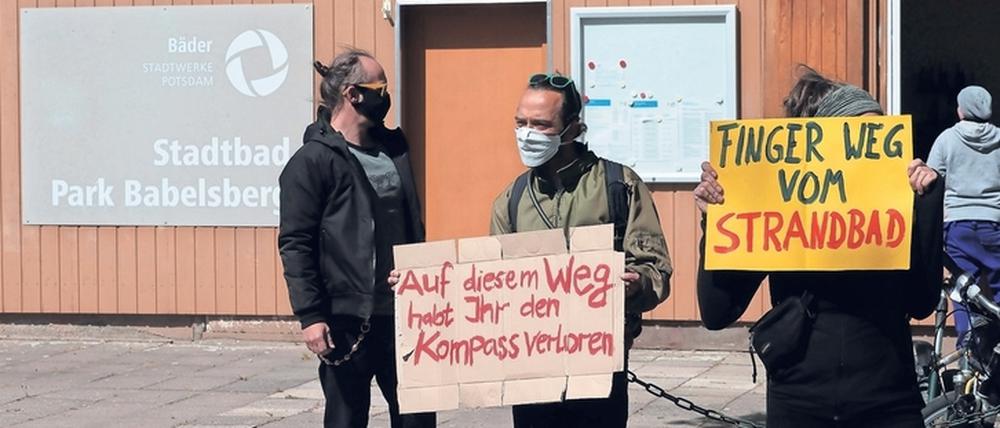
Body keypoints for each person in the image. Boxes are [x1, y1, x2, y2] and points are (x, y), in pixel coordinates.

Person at [694, 66, 943, 428]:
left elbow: (921, 302)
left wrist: (926, 205)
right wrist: (716, 222)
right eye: (865, 136)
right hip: (798, 403)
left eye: (879, 137)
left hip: (889, 400)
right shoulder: (777, 209)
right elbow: (717, 312)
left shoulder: (895, 209)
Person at [488, 72, 673, 428]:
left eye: (540, 124)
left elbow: (655, 269)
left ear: (572, 128)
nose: (527, 133)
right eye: (520, 122)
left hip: (599, 367)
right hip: (532, 371)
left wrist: (637, 285)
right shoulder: (510, 201)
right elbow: (493, 288)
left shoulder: (619, 186)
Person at [278, 48, 435, 428]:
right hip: (347, 320)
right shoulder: (313, 161)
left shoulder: (394, 149)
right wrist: (311, 317)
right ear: (353, 94)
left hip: (405, 313)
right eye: (379, 87)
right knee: (347, 418)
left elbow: (408, 223)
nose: (385, 95)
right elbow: (295, 243)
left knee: (418, 418)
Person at [925, 85, 1000, 342]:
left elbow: (931, 182)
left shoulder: (947, 139)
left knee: (964, 285)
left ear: (960, 111)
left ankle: (968, 346)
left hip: (958, 226)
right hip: (994, 224)